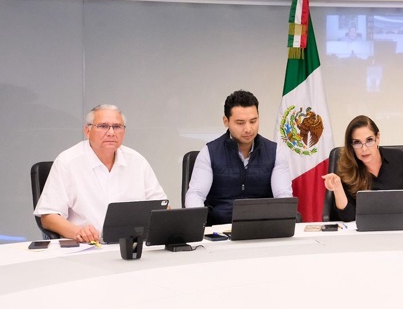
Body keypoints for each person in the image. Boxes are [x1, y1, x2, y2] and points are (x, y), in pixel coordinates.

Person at [34, 104, 166, 242]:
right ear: (88, 131)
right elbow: (48, 217)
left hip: (133, 244)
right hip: (86, 246)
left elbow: (162, 207)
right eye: (103, 126)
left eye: (117, 127)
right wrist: (78, 232)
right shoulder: (67, 162)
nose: (111, 133)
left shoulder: (137, 161)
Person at [185, 90, 292, 225]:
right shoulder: (209, 152)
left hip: (263, 226)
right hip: (220, 227)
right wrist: (199, 225)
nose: (248, 129)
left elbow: (283, 196)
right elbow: (196, 194)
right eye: (240, 123)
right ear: (226, 121)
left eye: (253, 121)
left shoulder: (275, 152)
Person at [322, 115, 403, 222]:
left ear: (378, 138)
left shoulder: (399, 158)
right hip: (364, 229)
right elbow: (348, 216)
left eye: (369, 140)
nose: (364, 149)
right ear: (351, 145)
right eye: (357, 142)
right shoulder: (346, 168)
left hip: (399, 224)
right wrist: (338, 188)